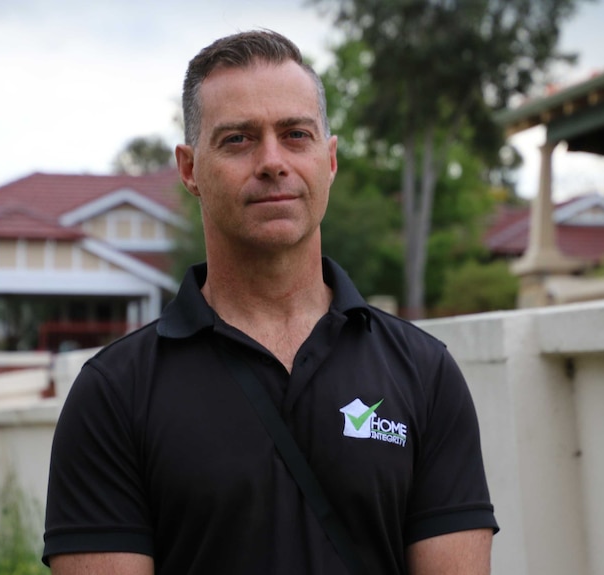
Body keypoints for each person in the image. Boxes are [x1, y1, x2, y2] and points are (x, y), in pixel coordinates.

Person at [43, 30, 498, 575]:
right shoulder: (114, 395)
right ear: (190, 169)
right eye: (238, 139)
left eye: (296, 134)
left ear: (328, 160)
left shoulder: (424, 374)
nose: (272, 161)